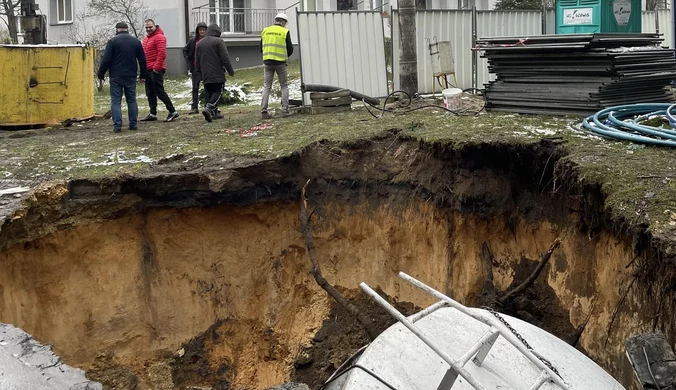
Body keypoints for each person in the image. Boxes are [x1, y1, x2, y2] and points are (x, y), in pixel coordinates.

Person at [97, 22, 147, 133]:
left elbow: (106, 59)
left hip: (116, 76)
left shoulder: (112, 42)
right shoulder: (136, 42)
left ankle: (117, 125)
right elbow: (142, 60)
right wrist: (143, 75)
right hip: (130, 75)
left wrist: (101, 73)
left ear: (116, 30)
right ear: (127, 29)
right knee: (131, 100)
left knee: (115, 101)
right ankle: (133, 124)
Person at [141, 19, 179, 122]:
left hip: (156, 69)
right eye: (147, 28)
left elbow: (162, 54)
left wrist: (156, 69)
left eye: (150, 27)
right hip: (148, 69)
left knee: (159, 92)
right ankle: (153, 113)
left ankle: (172, 111)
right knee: (150, 92)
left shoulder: (160, 37)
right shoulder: (146, 39)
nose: (148, 29)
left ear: (155, 26)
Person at [195, 23, 235, 123]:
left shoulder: (199, 43)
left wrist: (199, 74)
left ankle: (214, 113)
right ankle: (208, 108)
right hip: (217, 72)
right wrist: (230, 71)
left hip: (205, 74)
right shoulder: (219, 41)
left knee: (210, 92)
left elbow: (197, 60)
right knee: (218, 92)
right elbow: (225, 58)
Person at [260, 12, 293, 120]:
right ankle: (285, 109)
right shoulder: (284, 32)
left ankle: (264, 111)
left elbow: (261, 48)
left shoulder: (265, 31)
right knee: (284, 86)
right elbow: (290, 49)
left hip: (267, 62)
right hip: (280, 63)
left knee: (267, 86)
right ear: (283, 22)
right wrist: (283, 55)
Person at [182, 22, 208, 114]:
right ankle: (195, 107)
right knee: (195, 88)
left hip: (205, 68)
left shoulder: (208, 40)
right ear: (198, 31)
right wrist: (187, 59)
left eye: (204, 30)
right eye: (200, 30)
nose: (202, 31)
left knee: (207, 88)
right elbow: (185, 50)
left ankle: (207, 107)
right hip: (195, 67)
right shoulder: (193, 41)